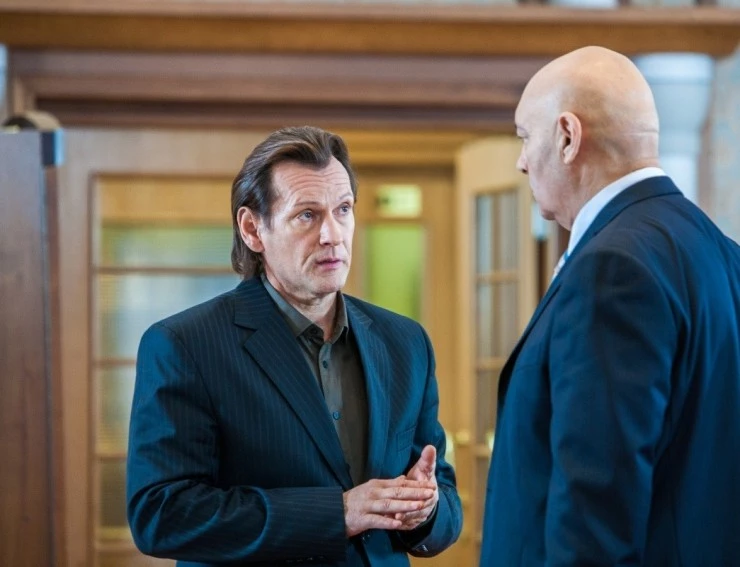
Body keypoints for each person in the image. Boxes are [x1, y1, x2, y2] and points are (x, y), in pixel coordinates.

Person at [126, 125, 462, 567]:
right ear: (252, 229)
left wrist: (426, 509)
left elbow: (443, 500)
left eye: (343, 210)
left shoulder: (405, 341)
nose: (332, 234)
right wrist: (338, 514)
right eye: (307, 215)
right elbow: (161, 515)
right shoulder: (184, 345)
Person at [480, 46, 740, 566]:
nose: (521, 161)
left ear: (567, 137)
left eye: (526, 137)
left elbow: (595, 510)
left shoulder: (612, 269)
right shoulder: (724, 254)